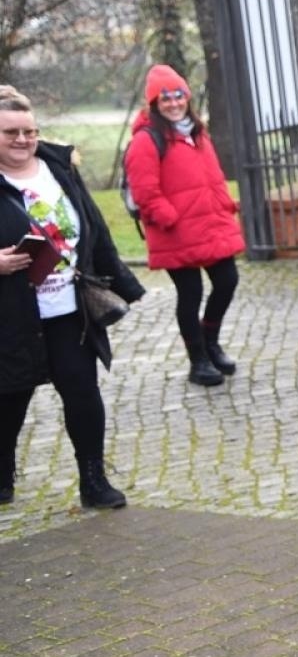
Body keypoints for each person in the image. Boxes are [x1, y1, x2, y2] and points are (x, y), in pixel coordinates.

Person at [0, 85, 145, 508]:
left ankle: (94, 480)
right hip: (10, 311)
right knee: (9, 396)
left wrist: (122, 283)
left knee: (82, 390)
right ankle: (2, 473)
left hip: (68, 306)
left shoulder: (58, 168)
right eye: (11, 133)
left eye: (29, 130)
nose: (23, 140)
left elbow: (92, 224)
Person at [123, 64, 245, 387]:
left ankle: (211, 340)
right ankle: (199, 360)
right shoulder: (146, 141)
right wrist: (169, 218)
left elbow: (213, 178)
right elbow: (145, 193)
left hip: (209, 225)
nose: (174, 103)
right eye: (165, 98)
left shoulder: (197, 133)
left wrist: (226, 205)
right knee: (190, 294)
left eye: (179, 96)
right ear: (154, 103)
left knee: (227, 281)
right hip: (175, 231)